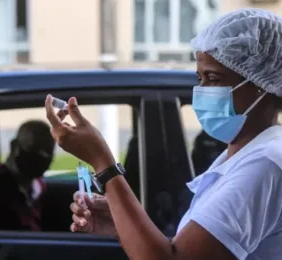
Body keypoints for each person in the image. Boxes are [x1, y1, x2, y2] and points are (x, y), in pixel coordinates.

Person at [46, 8, 282, 260]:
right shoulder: (242, 155)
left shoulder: (264, 164)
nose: (201, 90)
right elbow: (190, 251)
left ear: (262, 85)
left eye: (213, 78)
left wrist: (102, 161)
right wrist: (121, 224)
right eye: (199, 78)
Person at [0, 120, 55, 231]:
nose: (42, 156)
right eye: (34, 148)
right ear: (14, 146)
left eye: (48, 151)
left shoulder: (39, 186)